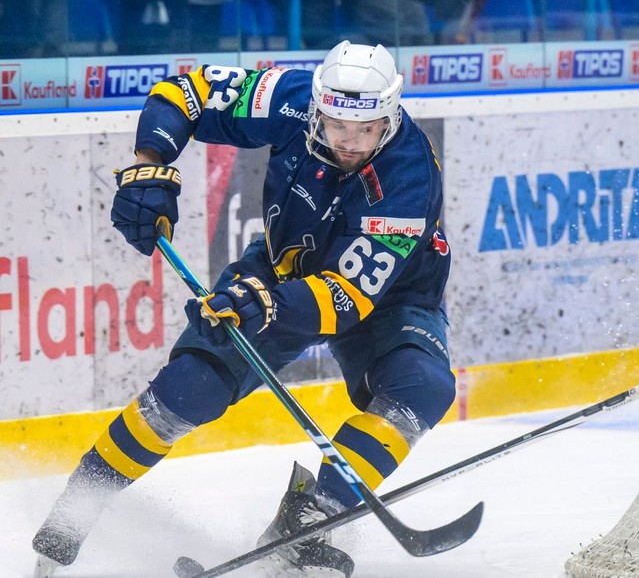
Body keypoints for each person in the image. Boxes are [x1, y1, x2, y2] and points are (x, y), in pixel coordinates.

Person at [32, 42, 455, 577]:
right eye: (336, 127)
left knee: (422, 389)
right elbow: (185, 92)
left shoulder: (408, 178)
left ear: (389, 116)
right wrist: (150, 164)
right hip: (279, 271)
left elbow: (343, 300)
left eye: (365, 130)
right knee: (185, 391)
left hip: (391, 299)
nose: (349, 143)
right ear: (317, 109)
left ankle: (311, 519)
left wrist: (265, 305)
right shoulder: (290, 97)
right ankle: (77, 508)